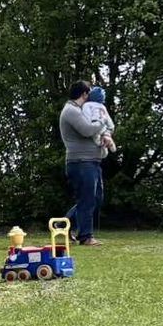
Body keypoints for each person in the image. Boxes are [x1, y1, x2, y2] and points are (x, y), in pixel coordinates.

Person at [59, 81, 107, 246]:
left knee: (95, 198)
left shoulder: (79, 110)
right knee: (87, 199)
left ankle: (62, 226)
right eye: (89, 93)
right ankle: (85, 236)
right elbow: (87, 130)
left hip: (91, 161)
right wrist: (103, 121)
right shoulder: (71, 111)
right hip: (81, 162)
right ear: (84, 94)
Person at [83, 85, 116, 154]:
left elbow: (86, 116)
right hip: (103, 126)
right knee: (105, 134)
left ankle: (102, 146)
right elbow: (108, 119)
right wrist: (110, 128)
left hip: (94, 125)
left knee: (96, 139)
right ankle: (110, 142)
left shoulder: (87, 105)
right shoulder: (102, 107)